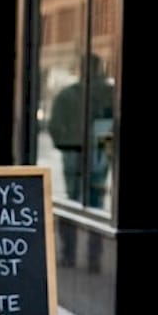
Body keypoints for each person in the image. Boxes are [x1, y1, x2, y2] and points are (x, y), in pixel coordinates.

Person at [47, 54, 113, 206]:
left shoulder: (68, 94)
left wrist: (65, 143)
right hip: (92, 150)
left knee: (76, 196)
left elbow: (54, 126)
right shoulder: (108, 92)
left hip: (80, 150)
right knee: (94, 196)